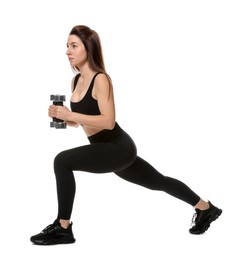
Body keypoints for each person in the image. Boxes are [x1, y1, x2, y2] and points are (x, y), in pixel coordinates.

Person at [30, 25, 222, 245]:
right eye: (67, 46)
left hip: (118, 147)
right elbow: (81, 122)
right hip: (105, 149)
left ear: (89, 48)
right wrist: (64, 119)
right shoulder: (75, 81)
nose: (67, 51)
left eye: (74, 46)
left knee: (61, 161)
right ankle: (206, 208)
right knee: (158, 181)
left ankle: (63, 228)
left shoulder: (101, 79)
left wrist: (71, 114)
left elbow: (107, 121)